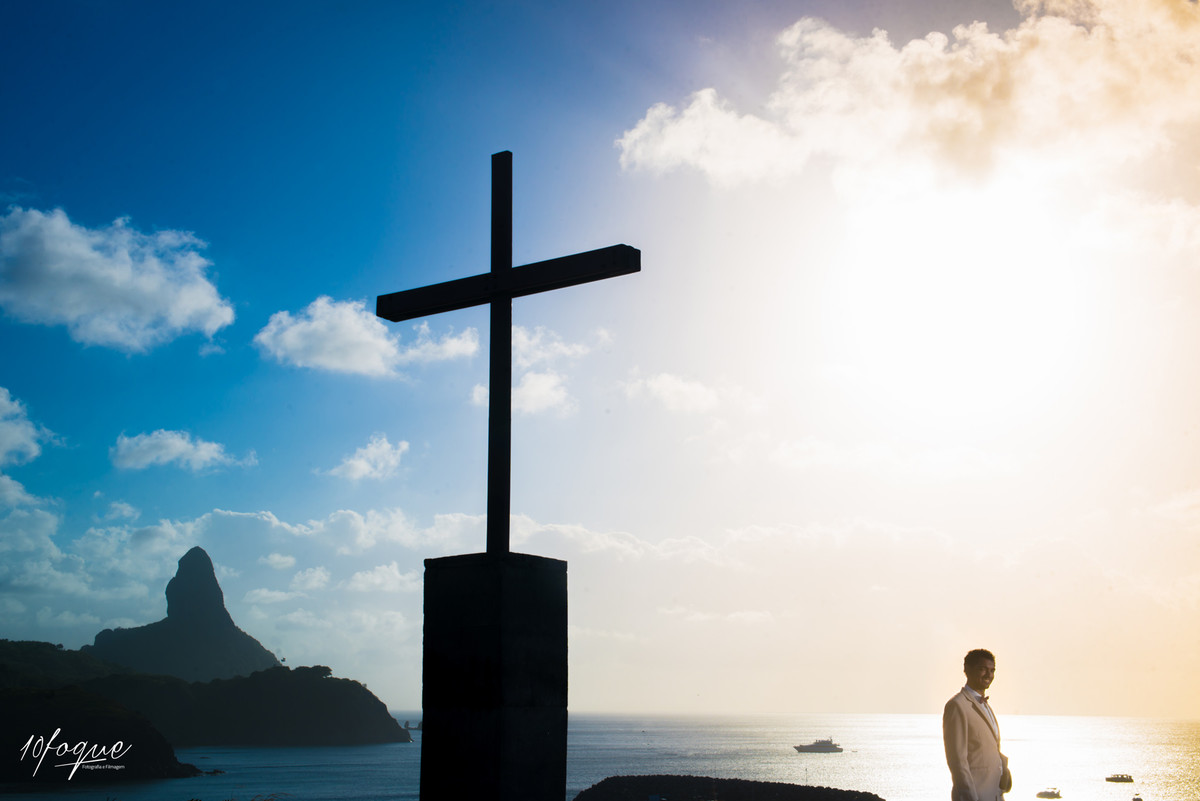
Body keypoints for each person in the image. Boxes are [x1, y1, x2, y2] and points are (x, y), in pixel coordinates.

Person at [943, 648, 1012, 801]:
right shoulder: (957, 705)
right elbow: (958, 762)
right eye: (982, 669)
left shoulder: (986, 706)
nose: (989, 675)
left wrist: (1003, 769)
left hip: (994, 795)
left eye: (992, 670)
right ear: (966, 670)